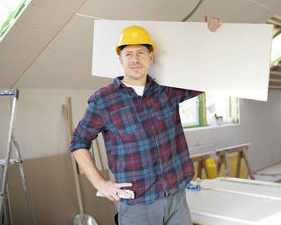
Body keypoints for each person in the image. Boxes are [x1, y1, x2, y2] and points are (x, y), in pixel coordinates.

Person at [69, 15, 223, 225]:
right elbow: (78, 142)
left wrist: (212, 35)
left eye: (141, 53)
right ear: (120, 59)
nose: (135, 59)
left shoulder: (167, 91)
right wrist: (99, 183)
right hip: (137, 205)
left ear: (151, 57)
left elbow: (210, 74)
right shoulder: (103, 100)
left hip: (176, 197)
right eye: (128, 54)